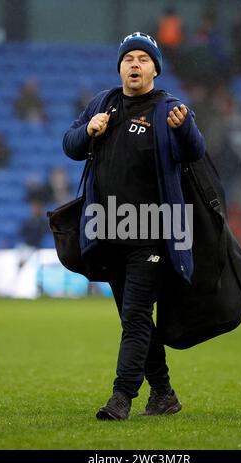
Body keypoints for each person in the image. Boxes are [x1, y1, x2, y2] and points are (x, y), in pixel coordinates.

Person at [63, 32, 206, 420]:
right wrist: (88, 130)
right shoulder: (103, 103)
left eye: (144, 58)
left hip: (153, 233)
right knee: (135, 317)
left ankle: (121, 397)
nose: (135, 64)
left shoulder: (170, 109)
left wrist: (185, 129)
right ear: (121, 67)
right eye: (129, 58)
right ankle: (163, 394)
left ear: (155, 69)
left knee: (137, 315)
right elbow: (70, 145)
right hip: (109, 230)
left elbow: (195, 152)